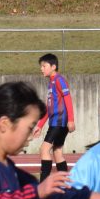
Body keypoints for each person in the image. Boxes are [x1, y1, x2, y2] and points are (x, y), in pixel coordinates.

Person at [32, 53, 76, 182]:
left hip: (60, 121)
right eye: (41, 66)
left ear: (53, 66)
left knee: (44, 149)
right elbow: (49, 107)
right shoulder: (51, 82)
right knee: (57, 152)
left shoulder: (59, 80)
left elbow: (68, 99)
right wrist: (40, 125)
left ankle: (43, 184)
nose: (41, 69)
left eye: (44, 66)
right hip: (55, 122)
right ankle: (66, 183)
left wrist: (71, 120)